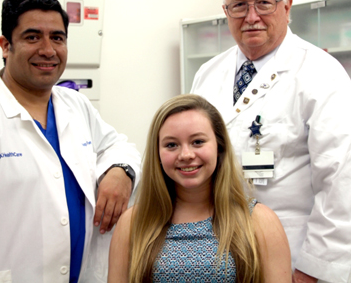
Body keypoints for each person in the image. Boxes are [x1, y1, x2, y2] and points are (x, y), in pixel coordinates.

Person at [0, 0, 141, 283]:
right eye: (32, 37)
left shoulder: (75, 105)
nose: (48, 50)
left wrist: (121, 171)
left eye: (57, 38)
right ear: (5, 46)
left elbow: (118, 146)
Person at [191, 0, 351, 283]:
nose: (251, 17)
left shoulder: (322, 73)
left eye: (264, 2)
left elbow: (340, 182)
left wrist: (312, 270)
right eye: (239, 5)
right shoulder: (208, 74)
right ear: (226, 11)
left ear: (287, 6)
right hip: (219, 250)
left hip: (294, 254)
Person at [108, 94, 291, 282]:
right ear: (158, 154)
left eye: (198, 142)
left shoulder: (259, 220)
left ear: (219, 146)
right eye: (171, 145)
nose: (186, 154)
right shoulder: (132, 223)